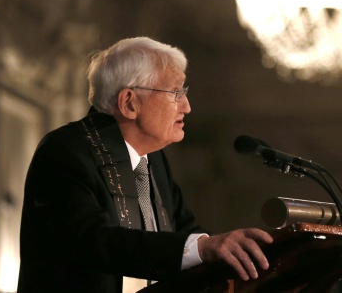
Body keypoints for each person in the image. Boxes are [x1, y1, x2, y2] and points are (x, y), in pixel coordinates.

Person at [17, 37, 273, 293]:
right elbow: (94, 241)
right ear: (129, 103)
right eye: (176, 92)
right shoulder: (66, 151)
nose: (187, 106)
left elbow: (185, 231)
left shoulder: (154, 159)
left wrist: (241, 253)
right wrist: (203, 248)